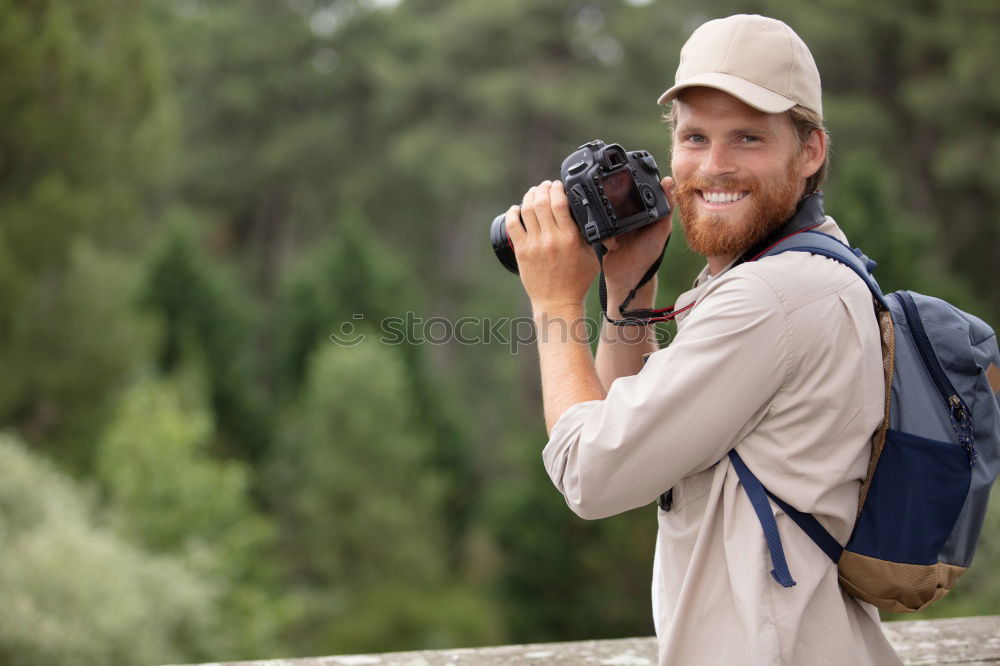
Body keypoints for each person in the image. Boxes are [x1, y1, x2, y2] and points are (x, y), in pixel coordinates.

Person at [503, 14, 904, 666]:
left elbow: (591, 475)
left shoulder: (767, 299)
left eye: (747, 137)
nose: (714, 167)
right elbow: (623, 430)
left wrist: (553, 301)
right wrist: (629, 290)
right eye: (694, 137)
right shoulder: (812, 266)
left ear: (810, 151)